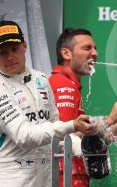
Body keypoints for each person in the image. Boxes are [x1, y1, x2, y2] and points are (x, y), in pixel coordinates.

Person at [0, 20, 94, 186]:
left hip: (45, 179)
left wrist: (83, 149)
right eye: (2, 52)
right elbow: (24, 136)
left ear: (24, 46)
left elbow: (55, 126)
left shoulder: (41, 78)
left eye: (14, 49)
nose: (10, 57)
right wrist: (73, 124)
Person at [49, 28, 117, 186]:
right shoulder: (63, 84)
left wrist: (108, 135)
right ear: (66, 53)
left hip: (70, 175)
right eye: (87, 48)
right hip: (65, 177)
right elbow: (62, 138)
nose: (95, 53)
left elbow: (76, 136)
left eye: (95, 48)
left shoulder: (68, 83)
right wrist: (109, 121)